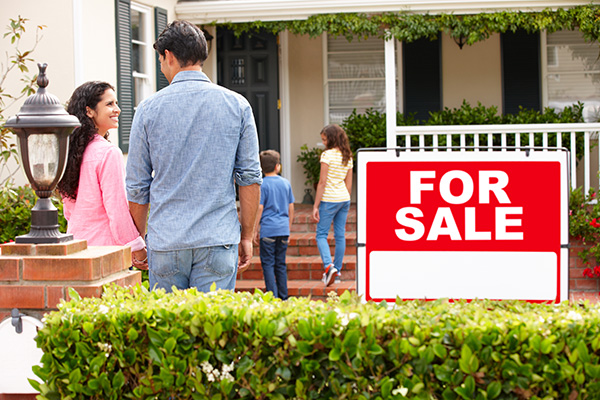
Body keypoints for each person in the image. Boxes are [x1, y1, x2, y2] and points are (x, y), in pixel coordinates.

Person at [126, 20, 262, 293]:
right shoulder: (237, 105)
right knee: (212, 332)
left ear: (170, 56)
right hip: (217, 237)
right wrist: (246, 235)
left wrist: (137, 241)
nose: (162, 66)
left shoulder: (148, 109)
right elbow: (249, 178)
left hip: (167, 241)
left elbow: (137, 186)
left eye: (161, 59)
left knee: (168, 332)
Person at [57, 81, 147, 269]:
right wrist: (137, 247)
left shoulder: (70, 152)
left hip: (76, 247)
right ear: (89, 111)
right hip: (107, 252)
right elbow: (117, 209)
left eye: (116, 103)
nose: (118, 109)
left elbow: (69, 211)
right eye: (109, 104)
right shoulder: (108, 153)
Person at [312, 124, 353, 286]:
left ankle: (329, 267)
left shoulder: (327, 155)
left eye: (324, 139)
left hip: (329, 199)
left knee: (321, 234)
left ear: (332, 138)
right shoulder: (347, 156)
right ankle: (337, 271)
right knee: (340, 235)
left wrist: (315, 206)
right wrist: (345, 199)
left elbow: (322, 182)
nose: (323, 142)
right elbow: (348, 184)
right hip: (344, 199)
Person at [254, 150, 294, 300]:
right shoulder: (285, 183)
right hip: (283, 229)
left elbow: (259, 208)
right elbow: (291, 208)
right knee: (280, 264)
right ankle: (284, 297)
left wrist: (254, 230)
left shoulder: (262, 185)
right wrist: (288, 228)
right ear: (278, 166)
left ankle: (272, 297)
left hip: (268, 230)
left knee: (268, 264)